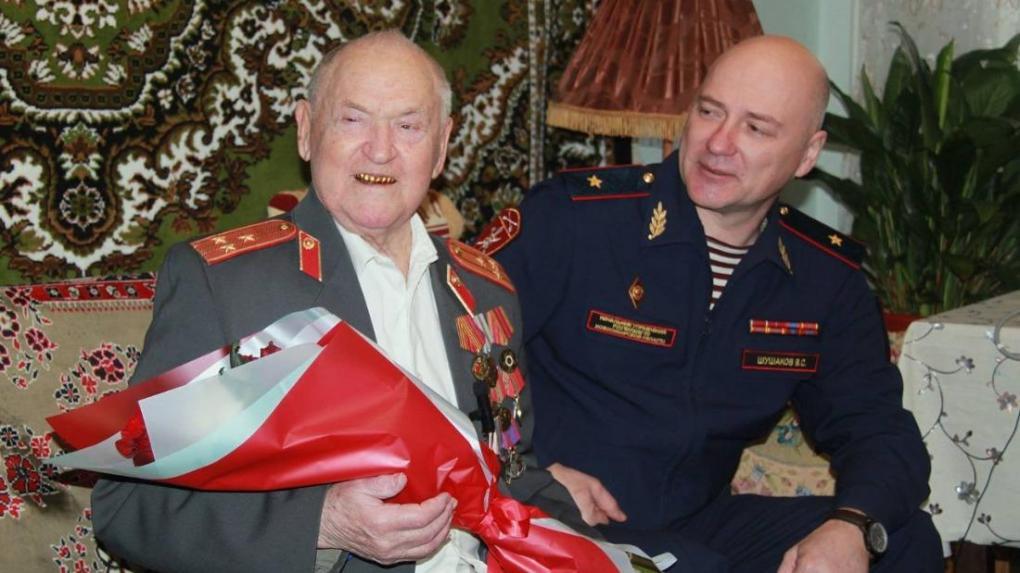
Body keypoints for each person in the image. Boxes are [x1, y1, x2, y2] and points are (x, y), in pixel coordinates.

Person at [91, 31, 612, 573]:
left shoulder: (485, 289)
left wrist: (585, 531)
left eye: (408, 126)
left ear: (441, 146)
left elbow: (508, 475)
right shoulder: (226, 285)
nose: (380, 150)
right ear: (306, 130)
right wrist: (322, 526)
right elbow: (128, 505)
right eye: (353, 119)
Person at [493, 35, 943, 572]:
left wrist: (853, 524)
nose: (719, 142)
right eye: (710, 112)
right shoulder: (575, 219)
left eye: (756, 128)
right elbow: (450, 348)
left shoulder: (823, 278)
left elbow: (877, 427)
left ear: (808, 154)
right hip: (557, 517)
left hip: (696, 524)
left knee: (902, 539)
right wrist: (525, 473)